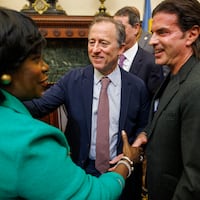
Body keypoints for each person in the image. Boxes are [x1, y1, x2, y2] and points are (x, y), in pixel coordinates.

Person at [0, 7, 144, 199]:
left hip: (123, 176)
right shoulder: (72, 79)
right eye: (91, 42)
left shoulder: (137, 86)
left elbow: (144, 125)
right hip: (80, 170)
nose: (95, 49)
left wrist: (136, 149)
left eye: (103, 43)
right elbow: (38, 106)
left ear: (121, 48)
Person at [133, 0, 200, 199]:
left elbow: (195, 178)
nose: (152, 41)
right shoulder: (173, 75)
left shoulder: (196, 87)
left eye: (163, 33)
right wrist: (147, 134)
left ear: (192, 34)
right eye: (153, 32)